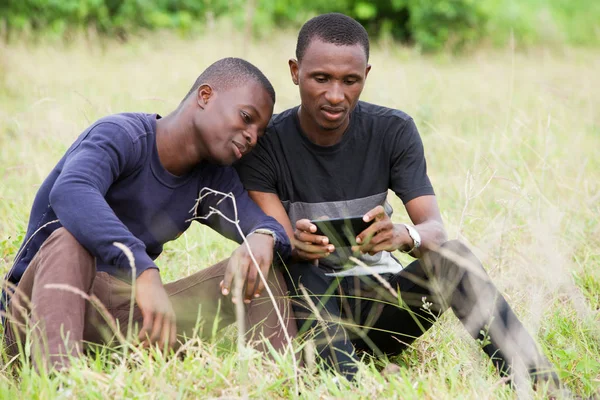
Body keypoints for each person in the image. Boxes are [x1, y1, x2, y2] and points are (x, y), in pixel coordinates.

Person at [236, 13, 559, 388]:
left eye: (350, 80)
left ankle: (539, 383)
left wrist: (405, 235)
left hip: (385, 304)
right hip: (306, 306)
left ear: (366, 76)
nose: (336, 95)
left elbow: (435, 232)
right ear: (295, 71)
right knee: (301, 269)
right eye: (320, 78)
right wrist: (294, 241)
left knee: (453, 257)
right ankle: (344, 383)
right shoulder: (265, 142)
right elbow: (274, 234)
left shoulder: (393, 130)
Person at [2, 57, 297, 372]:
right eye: (246, 117)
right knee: (70, 239)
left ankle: (283, 380)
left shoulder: (211, 180)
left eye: (259, 131)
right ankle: (58, 381)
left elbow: (264, 225)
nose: (252, 136)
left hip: (122, 319)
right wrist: (141, 268)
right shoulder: (122, 135)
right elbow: (72, 191)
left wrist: (264, 236)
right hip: (38, 309)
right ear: (205, 96)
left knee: (257, 266)